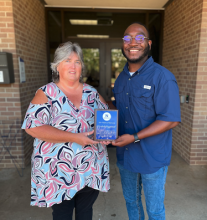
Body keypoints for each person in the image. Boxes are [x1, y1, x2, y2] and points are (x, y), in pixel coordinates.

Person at [21, 42, 110, 220]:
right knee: (62, 215)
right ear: (57, 66)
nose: (73, 66)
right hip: (57, 171)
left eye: (77, 62)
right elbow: (33, 127)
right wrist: (73, 137)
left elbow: (106, 119)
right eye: (68, 60)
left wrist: (106, 136)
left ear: (82, 67)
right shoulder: (47, 93)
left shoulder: (91, 93)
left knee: (85, 212)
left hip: (89, 168)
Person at [111, 22, 181, 220]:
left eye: (139, 38)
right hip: (126, 156)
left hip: (152, 158)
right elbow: (122, 111)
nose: (133, 42)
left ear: (148, 43)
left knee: (154, 209)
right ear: (123, 44)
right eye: (127, 38)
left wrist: (134, 137)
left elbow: (170, 119)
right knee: (132, 203)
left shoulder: (163, 77)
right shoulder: (122, 78)